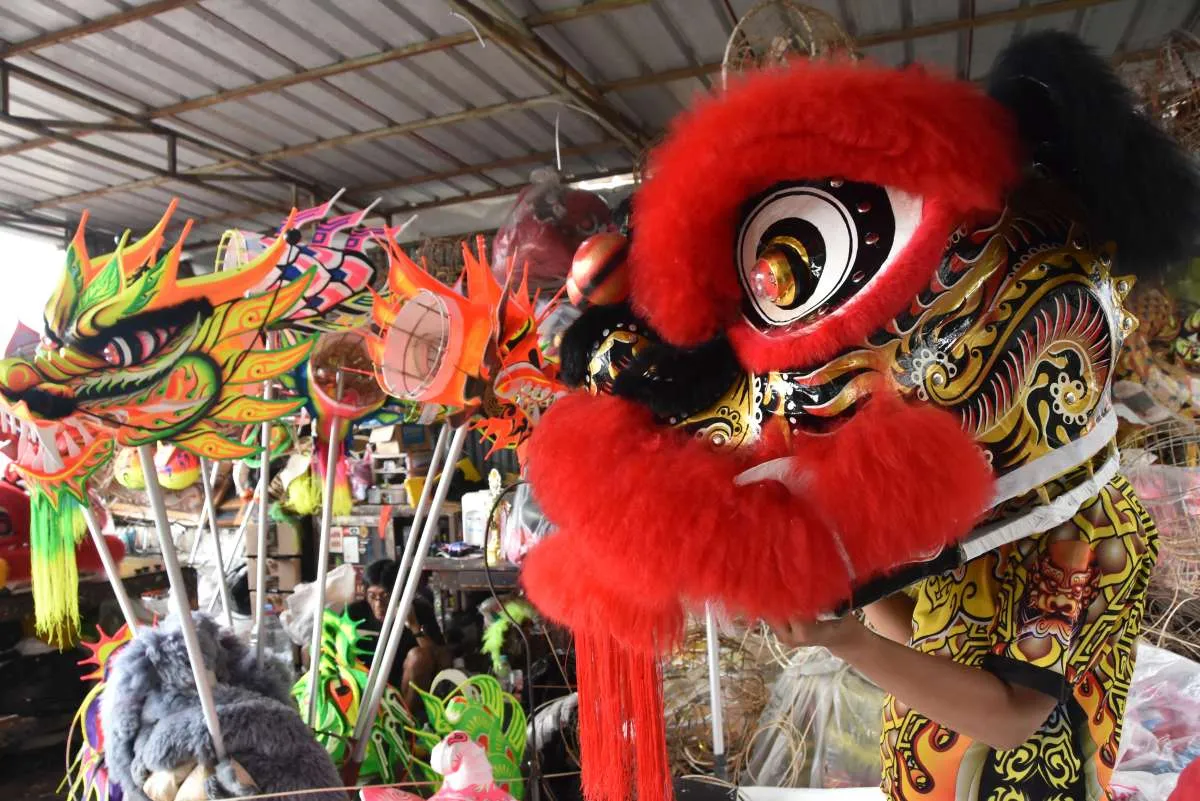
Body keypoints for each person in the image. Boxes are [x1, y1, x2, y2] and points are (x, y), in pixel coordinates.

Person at [775, 478, 1158, 800]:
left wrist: (849, 640)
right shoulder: (991, 497)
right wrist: (842, 591)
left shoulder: (1080, 513)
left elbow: (1012, 718)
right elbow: (932, 640)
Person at [347, 558, 446, 715]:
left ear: (399, 594)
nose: (379, 605)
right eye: (372, 596)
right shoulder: (354, 613)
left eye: (385, 596)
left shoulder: (419, 609)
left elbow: (440, 659)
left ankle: (405, 724)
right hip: (366, 684)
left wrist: (414, 625)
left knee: (419, 657)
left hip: (405, 687)